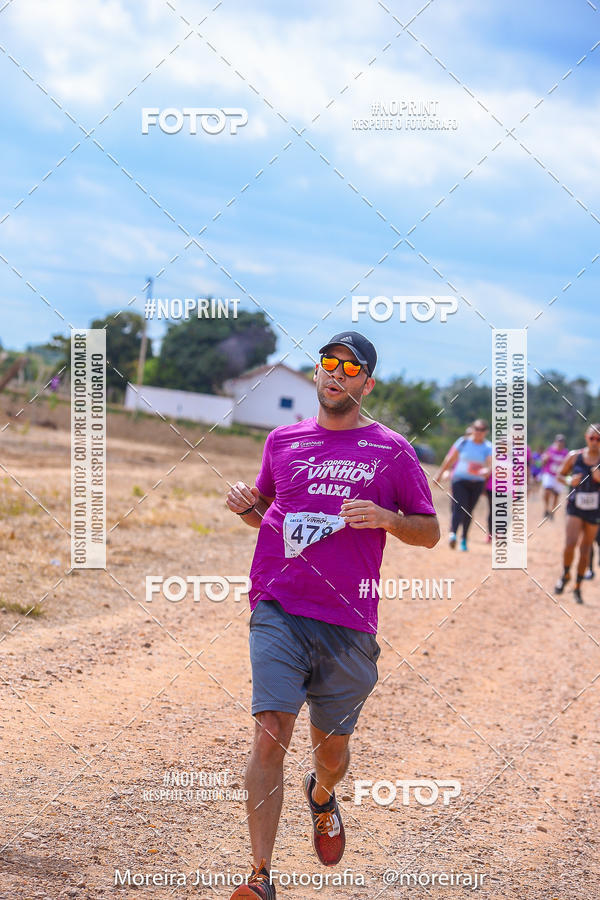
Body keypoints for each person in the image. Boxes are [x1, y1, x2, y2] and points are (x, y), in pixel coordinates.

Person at [225, 332, 439, 899]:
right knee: (270, 734)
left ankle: (321, 793)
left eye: (351, 367)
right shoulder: (283, 440)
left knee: (332, 751)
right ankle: (261, 877)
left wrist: (387, 518)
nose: (336, 373)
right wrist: (251, 509)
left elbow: (430, 532)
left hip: (348, 623)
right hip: (278, 604)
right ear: (317, 373)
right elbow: (271, 515)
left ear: (367, 384)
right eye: (329, 363)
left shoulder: (392, 450)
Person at [554, 424, 600, 603]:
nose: (595, 442)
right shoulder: (574, 456)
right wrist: (568, 480)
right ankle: (565, 574)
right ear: (586, 437)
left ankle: (578, 585)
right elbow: (559, 474)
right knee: (570, 543)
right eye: (592, 438)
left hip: (595, 509)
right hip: (575, 505)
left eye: (599, 439)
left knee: (586, 548)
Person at [434, 420, 492, 551]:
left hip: (477, 483)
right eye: (476, 428)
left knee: (469, 511)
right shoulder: (463, 442)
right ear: (472, 429)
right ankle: (453, 534)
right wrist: (439, 474)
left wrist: (485, 471)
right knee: (459, 507)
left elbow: (490, 465)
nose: (478, 432)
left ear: (486, 432)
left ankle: (464, 538)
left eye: (482, 429)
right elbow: (450, 459)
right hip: (459, 480)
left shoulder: (488, 447)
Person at [541, 435, 569, 520]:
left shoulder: (566, 453)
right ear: (556, 442)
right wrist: (545, 458)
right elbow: (543, 460)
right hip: (549, 474)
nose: (560, 443)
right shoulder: (550, 449)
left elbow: (568, 465)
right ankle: (546, 508)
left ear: (564, 443)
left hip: (559, 476)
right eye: (559, 441)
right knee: (547, 490)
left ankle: (552, 512)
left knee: (556, 495)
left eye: (562, 441)